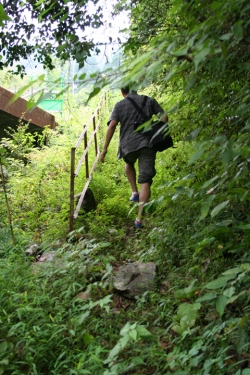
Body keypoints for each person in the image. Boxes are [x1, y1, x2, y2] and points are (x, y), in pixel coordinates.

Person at [100, 86, 168, 228]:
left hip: (128, 146)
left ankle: (134, 192)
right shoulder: (148, 100)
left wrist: (104, 149)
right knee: (145, 180)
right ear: (136, 89)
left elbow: (112, 125)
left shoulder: (119, 105)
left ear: (122, 92)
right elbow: (164, 117)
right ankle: (139, 219)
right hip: (148, 143)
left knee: (128, 163)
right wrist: (157, 130)